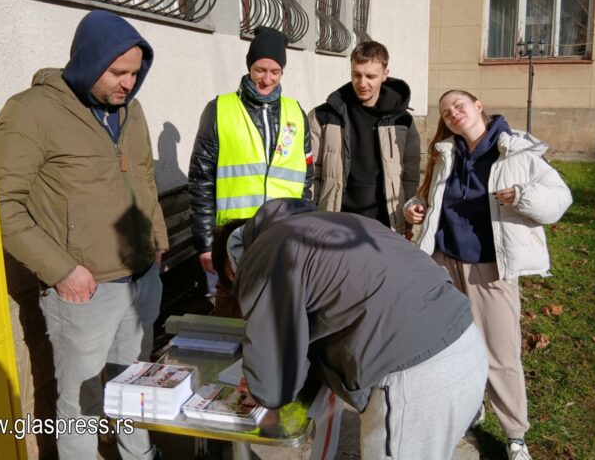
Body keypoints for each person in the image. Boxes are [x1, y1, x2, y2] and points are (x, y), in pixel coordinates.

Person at [0, 11, 168, 460]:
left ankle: (138, 455)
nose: (127, 83)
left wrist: (158, 245)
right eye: (117, 72)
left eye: (134, 72)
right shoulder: (32, 112)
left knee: (134, 389)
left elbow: (143, 176)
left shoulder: (132, 110)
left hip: (141, 277)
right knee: (81, 404)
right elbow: (1, 203)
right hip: (83, 291)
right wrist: (63, 270)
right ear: (89, 60)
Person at [211, 198, 489, 460]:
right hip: (465, 344)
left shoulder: (265, 252)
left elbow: (275, 371)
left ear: (232, 266)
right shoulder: (329, 222)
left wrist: (262, 388)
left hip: (416, 380)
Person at [404, 90, 573, 460]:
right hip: (442, 264)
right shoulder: (446, 153)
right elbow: (426, 199)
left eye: (459, 106)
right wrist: (412, 209)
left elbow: (560, 199)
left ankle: (515, 435)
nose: (453, 114)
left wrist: (523, 196)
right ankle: (469, 407)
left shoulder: (515, 151)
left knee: (500, 353)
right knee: (450, 348)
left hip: (489, 266)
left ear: (479, 106)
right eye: (447, 113)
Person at [188, 26, 313, 304]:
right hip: (233, 241)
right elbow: (201, 180)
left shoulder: (296, 113)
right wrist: (206, 243)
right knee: (233, 316)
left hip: (283, 237)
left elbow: (306, 179)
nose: (266, 79)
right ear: (249, 67)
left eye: (274, 71)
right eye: (260, 69)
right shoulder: (219, 110)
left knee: (278, 314)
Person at [309, 41, 420, 236]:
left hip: (386, 224)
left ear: (385, 74)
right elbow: (311, 172)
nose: (362, 83)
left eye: (370, 76)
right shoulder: (324, 115)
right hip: (336, 222)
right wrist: (312, 217)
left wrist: (407, 220)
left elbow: (410, 176)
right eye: (356, 74)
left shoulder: (402, 120)